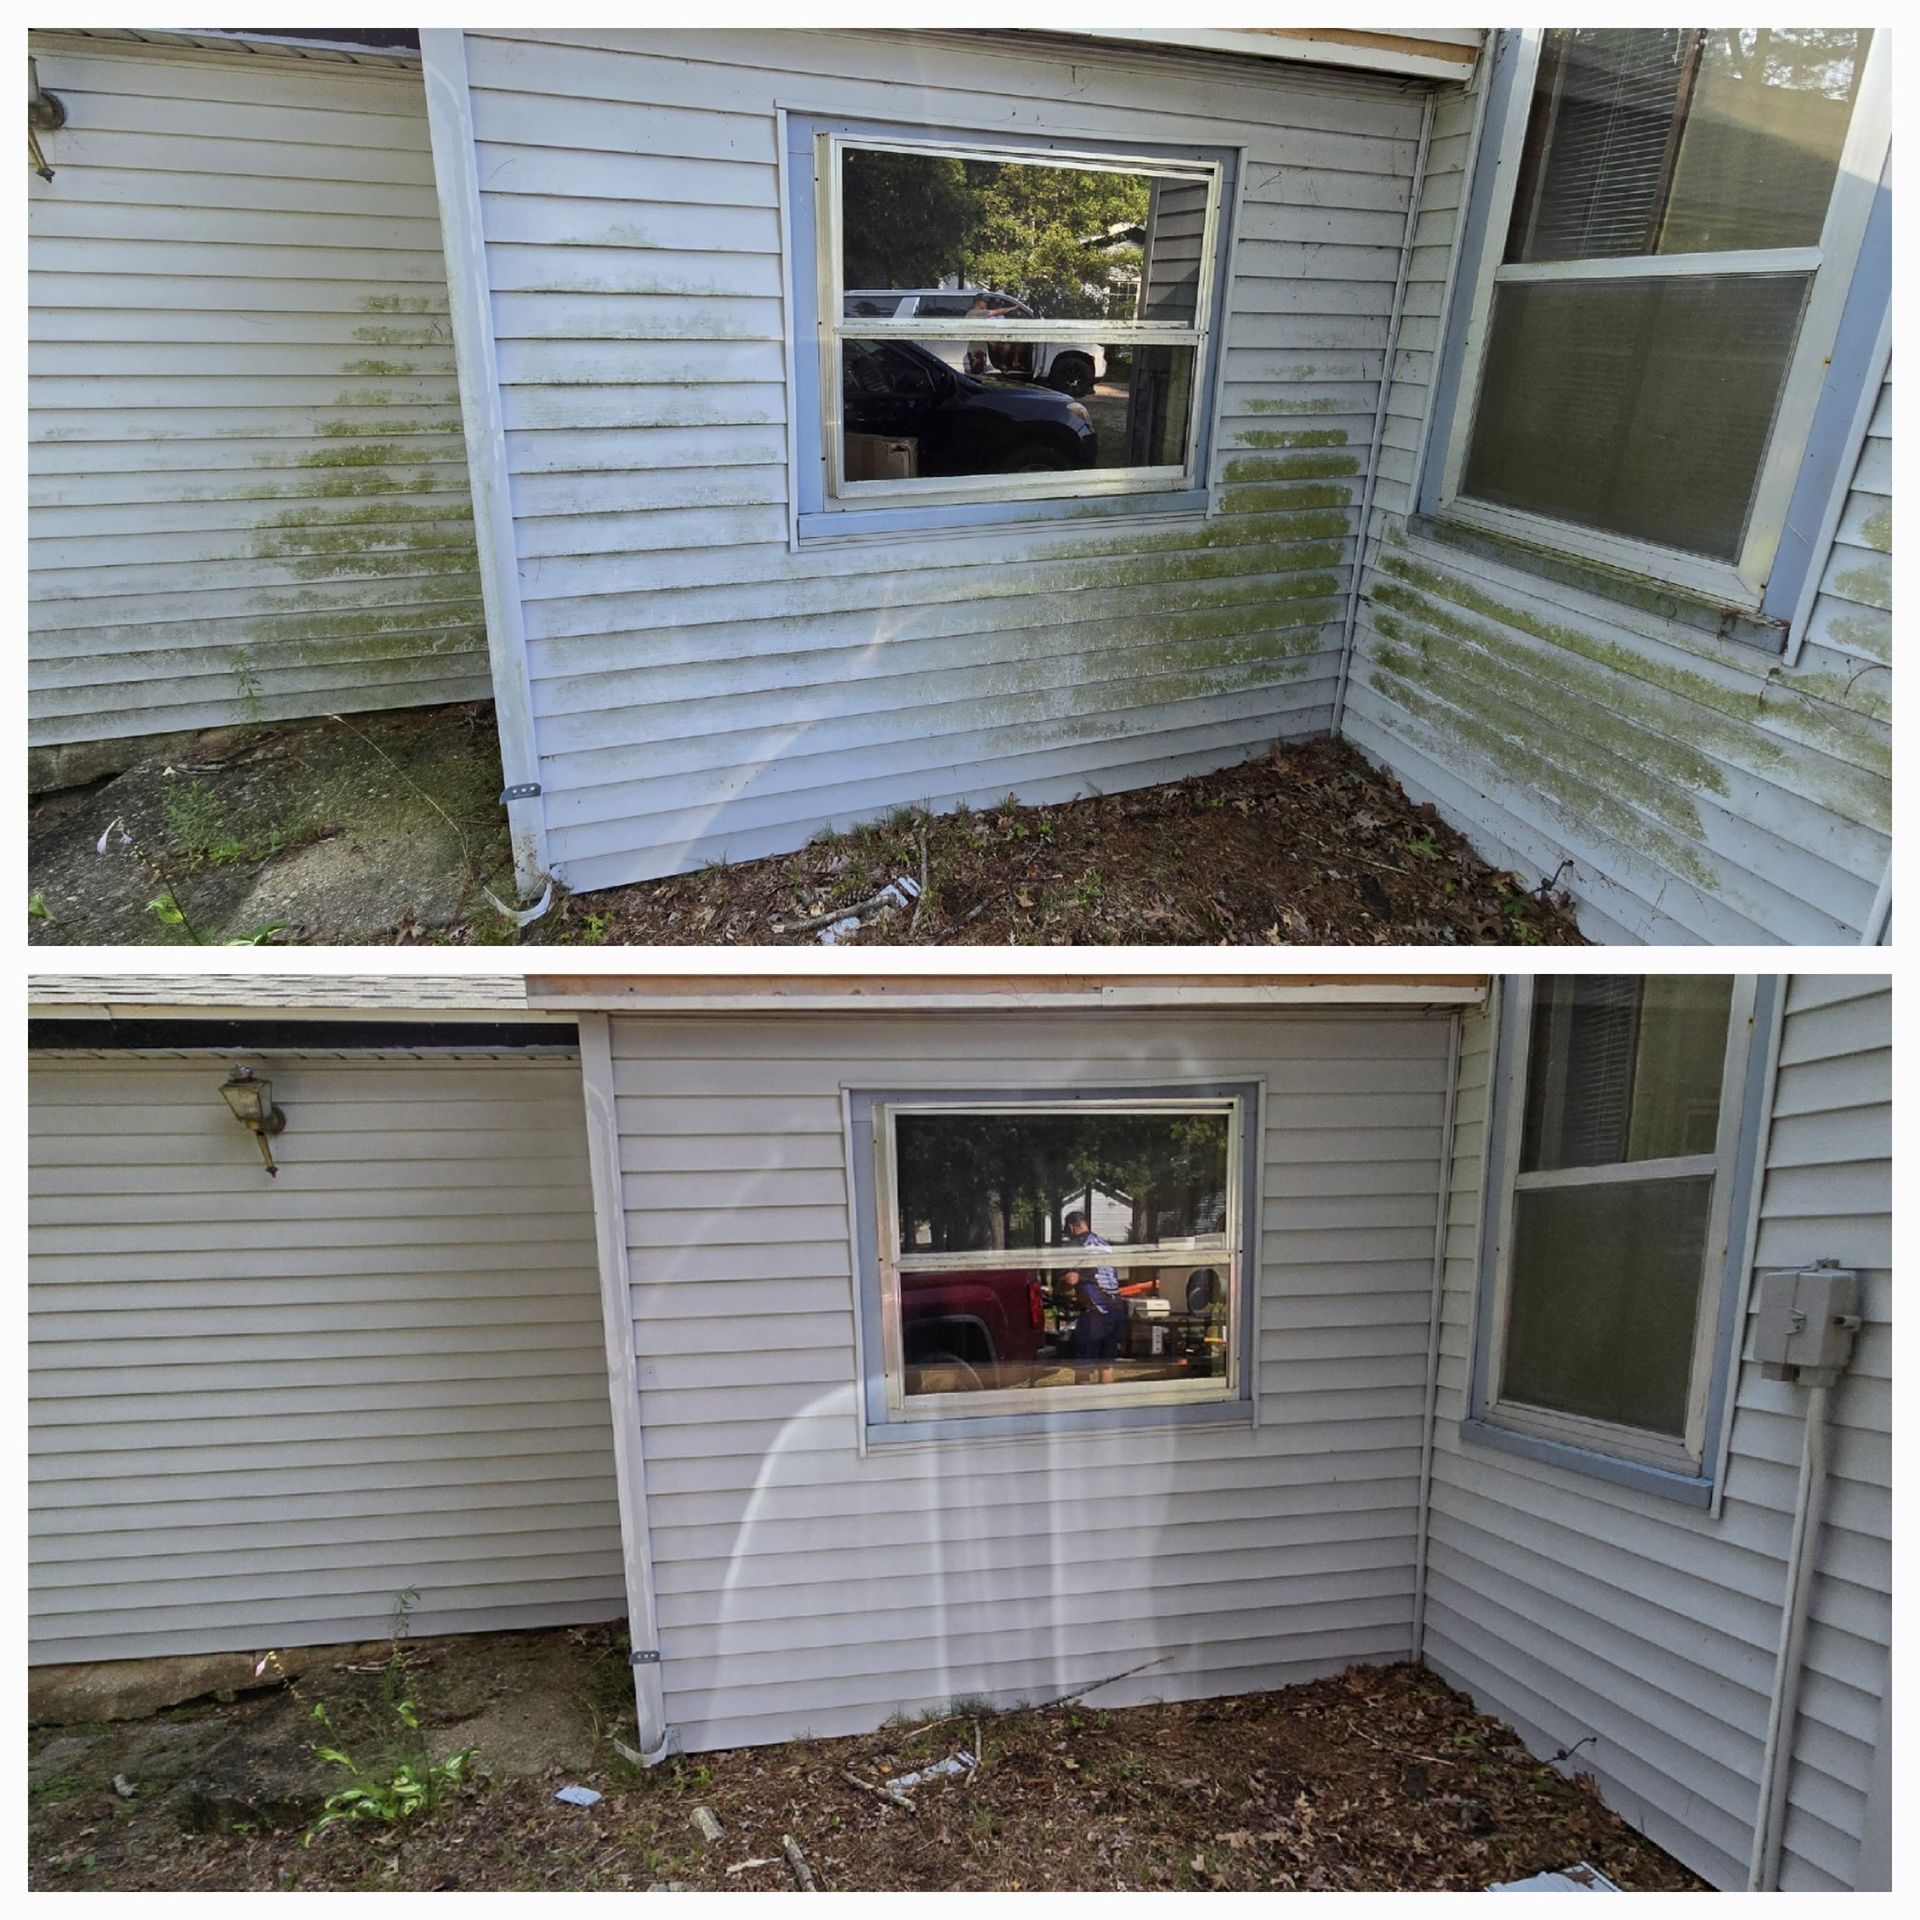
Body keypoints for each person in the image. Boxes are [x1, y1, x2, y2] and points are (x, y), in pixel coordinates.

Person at [1061, 1210, 1125, 1384]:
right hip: (1116, 1308)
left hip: (1095, 1312)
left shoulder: (1077, 1244)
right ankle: (1107, 1400)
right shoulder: (1103, 1243)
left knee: (1083, 1366)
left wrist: (1057, 1289)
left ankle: (1083, 1399)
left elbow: (1072, 1279)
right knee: (1106, 1364)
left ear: (1071, 1227)